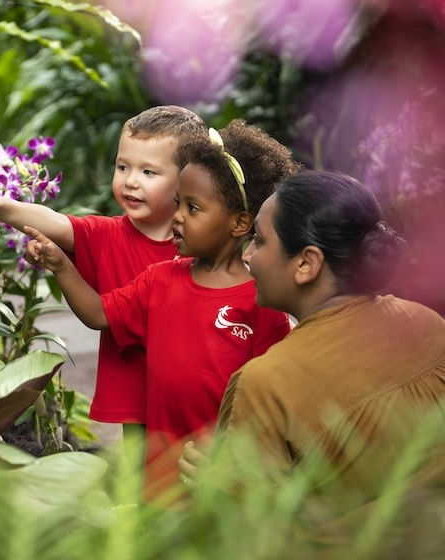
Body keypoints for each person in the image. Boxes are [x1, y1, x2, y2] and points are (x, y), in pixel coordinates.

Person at [24, 119, 301, 509]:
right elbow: (99, 314)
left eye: (193, 208)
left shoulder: (261, 301)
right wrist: (61, 266)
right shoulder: (159, 279)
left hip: (223, 474)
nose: (177, 218)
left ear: (240, 223)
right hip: (159, 473)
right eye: (177, 205)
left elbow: (273, 394)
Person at [178, 170, 445, 544]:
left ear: (306, 263)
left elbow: (253, 542)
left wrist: (219, 487)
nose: (248, 254)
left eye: (259, 239)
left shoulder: (266, 383)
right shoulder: (428, 325)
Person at [0, 106, 207, 477]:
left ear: (187, 180)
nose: (131, 181)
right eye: (123, 167)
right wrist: (0, 206)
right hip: (138, 389)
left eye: (148, 172)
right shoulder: (108, 235)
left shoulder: (203, 242)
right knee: (143, 473)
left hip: (193, 387)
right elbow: (55, 223)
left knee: (195, 468)